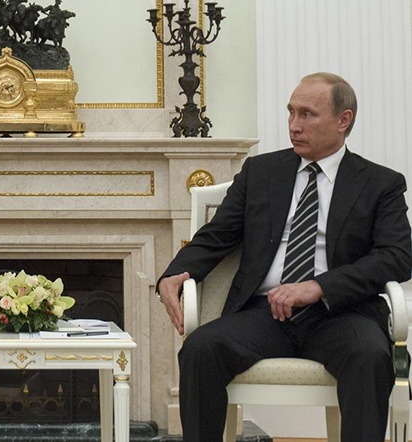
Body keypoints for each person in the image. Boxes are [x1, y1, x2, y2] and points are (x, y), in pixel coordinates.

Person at [157, 72, 411, 441]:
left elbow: (396, 257)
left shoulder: (380, 183)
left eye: (307, 114)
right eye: (291, 112)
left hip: (341, 313)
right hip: (263, 314)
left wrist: (319, 287)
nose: (294, 125)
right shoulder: (261, 172)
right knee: (200, 349)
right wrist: (176, 272)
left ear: (344, 120)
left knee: (370, 355)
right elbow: (217, 235)